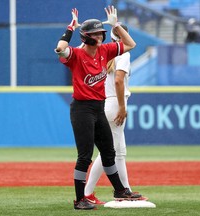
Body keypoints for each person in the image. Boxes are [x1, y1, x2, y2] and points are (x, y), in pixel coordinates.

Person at [54, 6, 142, 210]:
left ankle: (120, 190)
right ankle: (79, 199)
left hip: (99, 108)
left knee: (109, 151)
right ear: (86, 37)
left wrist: (115, 25)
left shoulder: (105, 50)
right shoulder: (76, 55)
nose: (100, 36)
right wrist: (71, 28)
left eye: (101, 33)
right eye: (95, 34)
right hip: (82, 110)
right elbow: (60, 48)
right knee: (85, 155)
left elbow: (131, 44)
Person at [84, 24, 146, 205]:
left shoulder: (105, 52)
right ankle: (92, 192)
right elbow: (119, 80)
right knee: (109, 152)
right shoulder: (123, 54)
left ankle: (124, 189)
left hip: (105, 102)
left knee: (118, 151)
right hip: (114, 104)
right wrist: (122, 107)